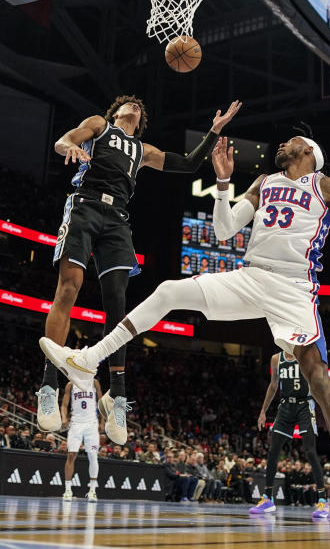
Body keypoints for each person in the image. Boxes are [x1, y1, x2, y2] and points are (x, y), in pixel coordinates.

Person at [42, 132, 330, 538]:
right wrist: (224, 184)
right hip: (251, 276)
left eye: (292, 141)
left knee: (317, 378)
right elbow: (225, 231)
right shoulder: (265, 182)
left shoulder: (324, 185)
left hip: (294, 288)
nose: (282, 143)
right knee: (169, 291)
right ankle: (90, 359)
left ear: (310, 152)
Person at [37, 96, 243, 445]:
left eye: (138, 104)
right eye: (127, 102)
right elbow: (65, 139)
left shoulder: (142, 150)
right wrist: (68, 146)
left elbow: (189, 164)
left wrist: (213, 131)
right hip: (85, 205)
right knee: (69, 287)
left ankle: (116, 395)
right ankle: (48, 384)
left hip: (117, 218)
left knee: (117, 304)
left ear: (140, 118)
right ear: (115, 113)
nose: (133, 104)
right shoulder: (100, 127)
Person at [250, 351, 329, 519]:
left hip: (305, 405)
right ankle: (267, 499)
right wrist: (263, 411)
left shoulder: (305, 356)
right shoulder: (276, 358)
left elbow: (317, 383)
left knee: (309, 451)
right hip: (285, 406)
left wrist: (325, 407)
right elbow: (273, 385)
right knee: (273, 451)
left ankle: (323, 501)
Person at [59, 379, 103, 501]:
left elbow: (102, 403)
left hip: (92, 424)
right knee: (71, 455)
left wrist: (103, 421)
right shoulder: (71, 384)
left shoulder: (94, 382)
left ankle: (92, 491)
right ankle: (68, 490)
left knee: (93, 455)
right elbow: (64, 405)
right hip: (76, 424)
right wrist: (64, 418)